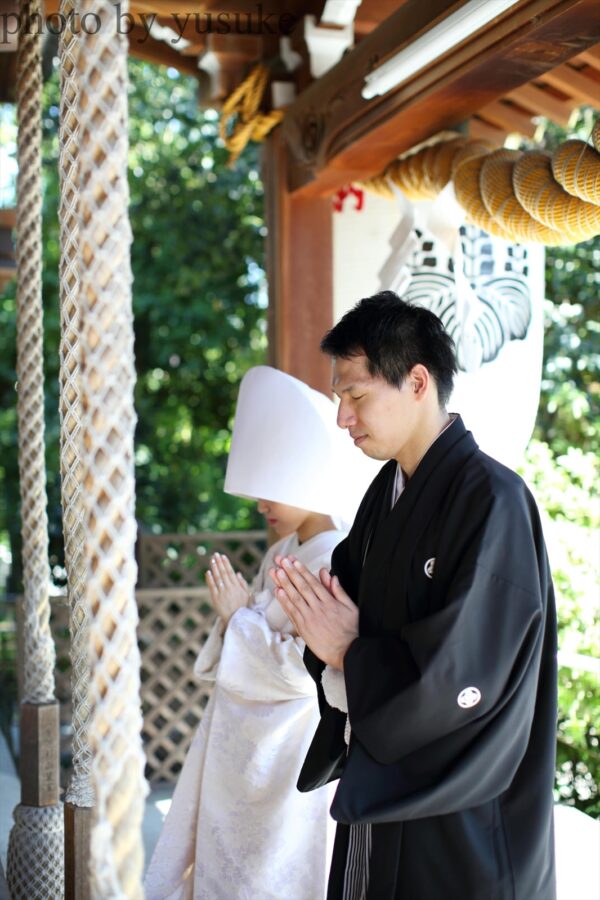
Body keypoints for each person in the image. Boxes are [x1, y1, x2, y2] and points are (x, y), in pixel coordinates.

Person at [271, 292, 557, 900]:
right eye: (340, 400)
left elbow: (464, 674)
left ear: (418, 381)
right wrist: (321, 633)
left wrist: (351, 654)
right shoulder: (385, 494)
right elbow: (338, 608)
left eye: (356, 395)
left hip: (462, 814)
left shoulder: (494, 501)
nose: (344, 417)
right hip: (383, 782)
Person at [144, 365, 378, 900]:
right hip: (246, 750)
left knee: (273, 873)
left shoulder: (335, 558)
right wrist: (239, 618)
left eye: (271, 487)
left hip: (290, 751)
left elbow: (306, 670)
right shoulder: (283, 551)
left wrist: (237, 618)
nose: (260, 503)